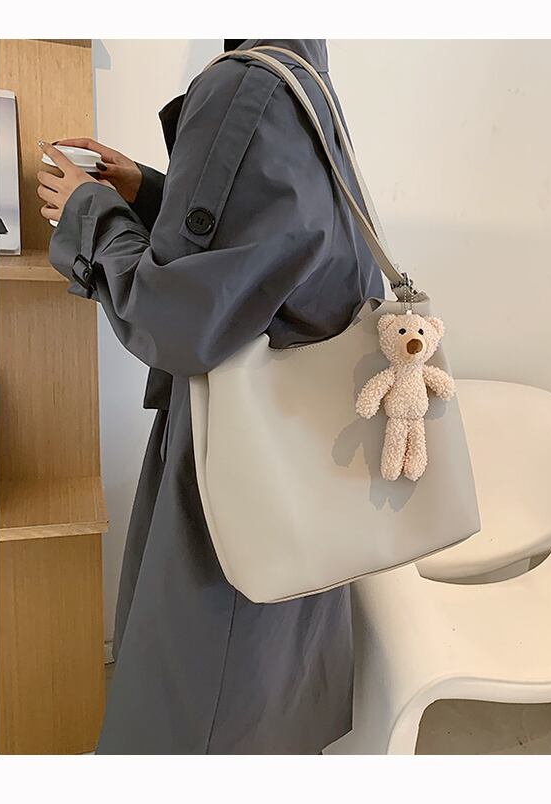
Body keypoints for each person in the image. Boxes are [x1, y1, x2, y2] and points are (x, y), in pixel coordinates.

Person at [37, 39, 384, 755]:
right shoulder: (305, 79)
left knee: (193, 704)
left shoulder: (245, 84)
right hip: (302, 466)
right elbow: (271, 254)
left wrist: (88, 211)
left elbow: (176, 319)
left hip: (229, 472)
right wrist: (149, 192)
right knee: (260, 692)